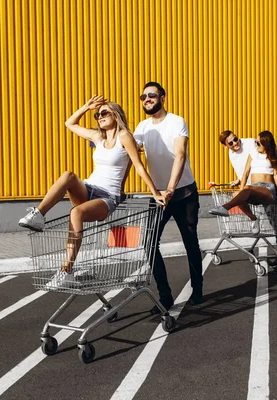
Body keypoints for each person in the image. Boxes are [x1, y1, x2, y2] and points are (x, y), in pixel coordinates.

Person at [18, 95, 166, 287]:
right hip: (88, 189)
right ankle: (38, 215)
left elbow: (138, 166)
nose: (99, 117)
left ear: (116, 114)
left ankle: (67, 270)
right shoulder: (98, 137)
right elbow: (69, 123)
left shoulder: (124, 137)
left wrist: (155, 192)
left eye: (104, 113)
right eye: (97, 115)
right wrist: (86, 107)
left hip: (107, 196)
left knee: (76, 213)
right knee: (68, 175)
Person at [133, 82, 203, 312]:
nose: (146, 99)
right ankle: (165, 296)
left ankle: (198, 288)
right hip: (160, 197)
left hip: (183, 193)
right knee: (149, 243)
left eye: (151, 95)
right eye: (143, 96)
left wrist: (171, 188)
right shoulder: (142, 127)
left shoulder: (176, 121)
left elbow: (180, 154)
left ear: (163, 97)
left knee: (189, 240)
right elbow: (128, 151)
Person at [217, 130, 277, 263]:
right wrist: (240, 185)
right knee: (273, 217)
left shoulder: (253, 145)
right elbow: (245, 171)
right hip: (258, 187)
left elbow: (276, 175)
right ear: (226, 146)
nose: (236, 143)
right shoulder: (238, 154)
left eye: (236, 139)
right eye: (231, 142)